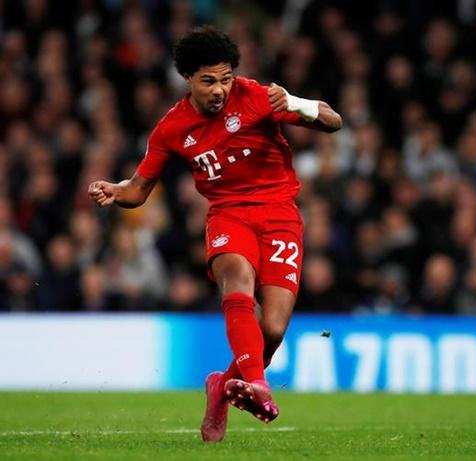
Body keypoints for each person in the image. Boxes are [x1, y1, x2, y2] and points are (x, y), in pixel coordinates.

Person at [88, 26, 342, 442]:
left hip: (280, 214)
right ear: (187, 78)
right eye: (209, 81)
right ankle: (258, 386)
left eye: (225, 78)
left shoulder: (258, 96)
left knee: (274, 329)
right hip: (228, 216)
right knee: (237, 283)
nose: (220, 89)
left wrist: (296, 102)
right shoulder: (172, 128)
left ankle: (220, 389)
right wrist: (116, 191)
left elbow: (334, 122)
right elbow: (138, 189)